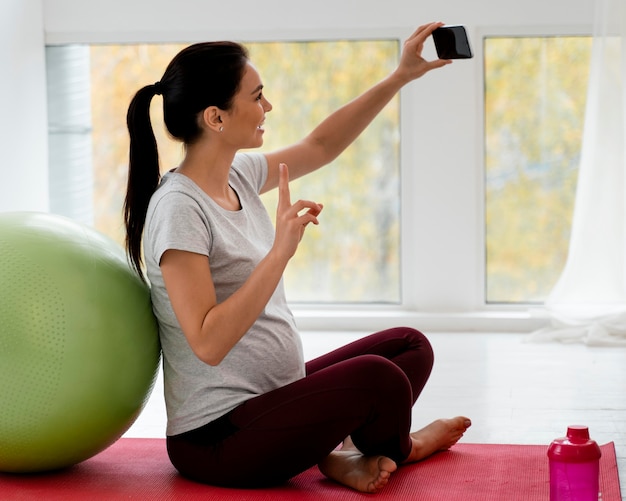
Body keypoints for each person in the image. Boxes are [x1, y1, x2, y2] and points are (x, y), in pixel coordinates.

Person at [124, 22, 471, 494]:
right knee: (379, 379)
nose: (268, 107)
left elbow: (321, 146)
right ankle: (402, 446)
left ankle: (332, 453)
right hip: (217, 438)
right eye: (257, 96)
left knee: (408, 346)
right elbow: (207, 342)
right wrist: (280, 252)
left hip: (273, 401)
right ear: (216, 117)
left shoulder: (238, 175)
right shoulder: (179, 209)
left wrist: (400, 77)